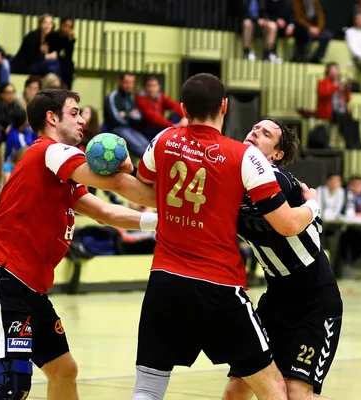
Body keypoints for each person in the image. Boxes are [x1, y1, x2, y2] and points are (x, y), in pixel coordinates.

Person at [132, 73, 320, 400]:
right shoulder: (242, 157)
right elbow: (287, 223)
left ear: (181, 107)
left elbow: (143, 186)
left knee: (148, 389)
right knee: (273, 388)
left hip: (164, 280)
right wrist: (314, 204)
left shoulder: (163, 139)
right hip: (218, 287)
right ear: (224, 106)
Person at [0, 88, 158, 400]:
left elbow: (106, 212)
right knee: (13, 387)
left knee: (64, 369)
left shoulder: (61, 174)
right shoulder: (51, 151)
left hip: (30, 287)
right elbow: (114, 184)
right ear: (52, 118)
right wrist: (171, 202)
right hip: (4, 277)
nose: (83, 119)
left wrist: (162, 222)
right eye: (74, 112)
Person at [223, 118, 343, 400]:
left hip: (316, 302)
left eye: (265, 134)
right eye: (253, 128)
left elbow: (286, 221)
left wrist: (312, 204)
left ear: (276, 155)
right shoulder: (235, 179)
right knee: (237, 387)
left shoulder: (279, 181)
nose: (254, 133)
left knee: (295, 392)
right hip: (276, 298)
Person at [316, 62, 361, 149]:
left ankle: (357, 142)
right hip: (329, 112)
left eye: (336, 69)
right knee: (343, 119)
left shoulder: (341, 83)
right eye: (332, 70)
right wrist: (337, 87)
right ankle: (349, 143)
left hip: (341, 111)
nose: (334, 72)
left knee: (354, 122)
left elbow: (348, 99)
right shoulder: (323, 83)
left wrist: (346, 90)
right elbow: (323, 94)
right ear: (328, 72)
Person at [135, 75, 187, 140]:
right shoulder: (140, 98)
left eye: (154, 86)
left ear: (159, 87)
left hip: (160, 127)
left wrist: (185, 117)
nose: (151, 89)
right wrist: (174, 126)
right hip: (148, 128)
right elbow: (153, 117)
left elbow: (175, 105)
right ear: (145, 87)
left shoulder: (160, 96)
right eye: (149, 86)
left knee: (177, 115)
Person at [46, 17, 76, 89]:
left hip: (63, 62)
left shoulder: (69, 39)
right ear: (61, 25)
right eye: (66, 26)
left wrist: (71, 40)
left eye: (70, 27)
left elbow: (69, 55)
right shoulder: (53, 35)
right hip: (53, 60)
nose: (67, 28)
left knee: (69, 65)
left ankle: (67, 89)